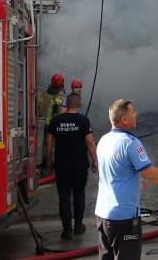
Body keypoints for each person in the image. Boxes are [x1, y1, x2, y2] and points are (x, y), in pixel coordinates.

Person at [95, 98, 158, 260]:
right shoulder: (130, 142)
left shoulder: (104, 140)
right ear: (124, 119)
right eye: (133, 112)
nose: (136, 114)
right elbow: (150, 172)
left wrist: (136, 176)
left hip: (102, 215)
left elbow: (116, 167)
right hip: (123, 218)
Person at [46, 93, 98, 240]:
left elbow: (49, 143)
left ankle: (67, 230)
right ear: (80, 105)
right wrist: (95, 160)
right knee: (79, 193)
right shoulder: (83, 120)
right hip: (79, 164)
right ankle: (78, 226)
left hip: (61, 164)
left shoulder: (56, 121)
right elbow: (90, 141)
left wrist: (49, 161)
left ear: (66, 105)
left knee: (64, 196)